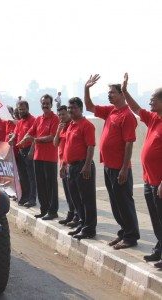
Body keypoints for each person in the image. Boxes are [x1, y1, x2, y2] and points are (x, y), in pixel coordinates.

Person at [84, 74, 140, 249]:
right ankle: (124, 232)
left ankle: (131, 237)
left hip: (120, 168)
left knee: (124, 202)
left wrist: (124, 168)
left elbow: (129, 142)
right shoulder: (111, 111)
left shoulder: (127, 116)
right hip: (108, 166)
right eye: (109, 93)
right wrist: (86, 89)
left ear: (122, 95)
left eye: (113, 93)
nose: (110, 95)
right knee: (116, 203)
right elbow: (89, 107)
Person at [121, 73, 162, 268]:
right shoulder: (154, 118)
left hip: (159, 182)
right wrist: (125, 92)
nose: (150, 102)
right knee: (155, 218)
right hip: (148, 180)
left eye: (153, 99)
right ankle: (159, 248)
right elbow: (136, 108)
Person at [17, 94, 59, 220]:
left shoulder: (55, 119)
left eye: (47, 103)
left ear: (51, 105)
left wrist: (34, 139)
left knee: (50, 186)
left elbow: (52, 137)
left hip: (50, 158)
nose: (45, 105)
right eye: (43, 103)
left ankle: (52, 211)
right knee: (40, 185)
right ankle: (44, 209)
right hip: (37, 157)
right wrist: (24, 139)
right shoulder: (39, 119)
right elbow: (30, 131)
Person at [63, 97, 97, 240]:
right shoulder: (71, 124)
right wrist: (65, 164)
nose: (71, 110)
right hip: (71, 167)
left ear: (81, 109)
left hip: (83, 166)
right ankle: (82, 223)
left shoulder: (87, 125)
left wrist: (87, 165)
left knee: (87, 199)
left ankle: (89, 228)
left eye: (74, 108)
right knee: (76, 198)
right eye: (69, 108)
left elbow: (90, 146)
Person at [8, 100, 37, 208]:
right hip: (20, 152)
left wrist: (31, 151)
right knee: (22, 176)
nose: (21, 111)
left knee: (31, 176)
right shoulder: (20, 122)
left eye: (23, 109)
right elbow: (16, 133)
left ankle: (32, 198)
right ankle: (24, 196)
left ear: (27, 109)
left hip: (29, 150)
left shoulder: (33, 120)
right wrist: (11, 139)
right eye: (20, 109)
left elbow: (34, 137)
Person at [53, 105, 78, 225]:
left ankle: (77, 216)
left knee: (74, 192)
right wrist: (58, 131)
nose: (62, 117)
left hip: (69, 163)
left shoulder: (72, 126)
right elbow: (55, 143)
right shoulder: (61, 127)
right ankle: (71, 213)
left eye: (64, 114)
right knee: (68, 192)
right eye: (60, 115)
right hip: (62, 163)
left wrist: (65, 164)